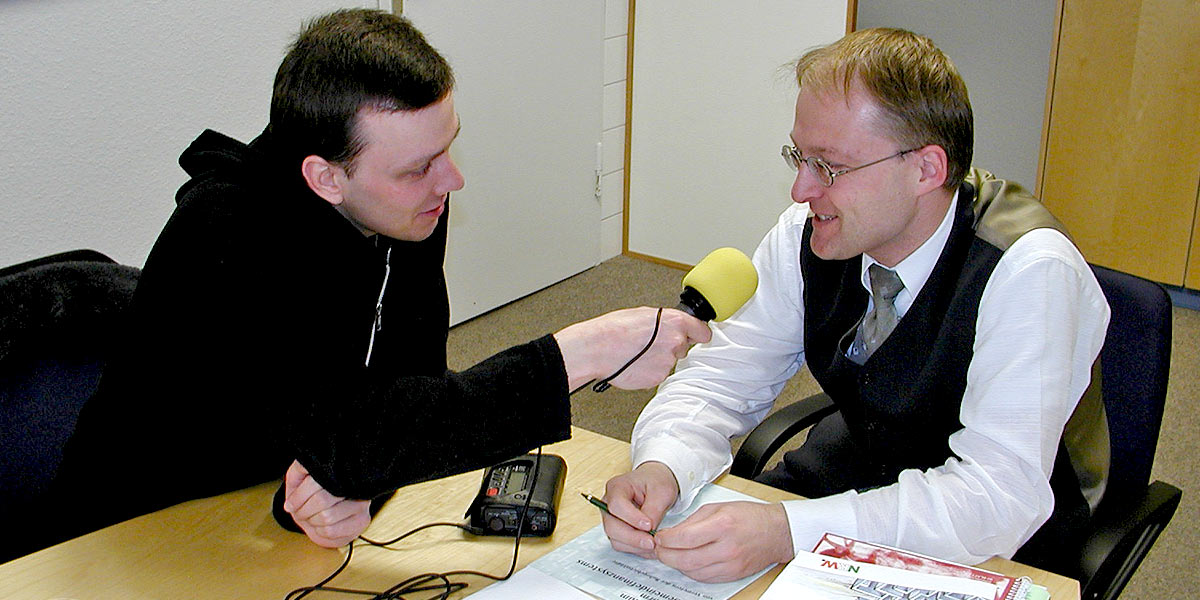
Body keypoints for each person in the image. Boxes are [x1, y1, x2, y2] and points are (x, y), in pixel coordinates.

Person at [10, 9, 709, 562]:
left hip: (256, 510)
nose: (451, 181)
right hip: (125, 534)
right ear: (324, 176)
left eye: (448, 147)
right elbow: (349, 432)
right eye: (418, 167)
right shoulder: (225, 236)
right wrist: (576, 355)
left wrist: (350, 492)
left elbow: (408, 399)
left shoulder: (401, 210)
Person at [600, 27, 1110, 583]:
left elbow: (994, 497)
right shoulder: (809, 233)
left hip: (1001, 534)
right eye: (799, 155)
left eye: (830, 166)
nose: (800, 189)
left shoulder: (1028, 270)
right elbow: (722, 377)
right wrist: (664, 463)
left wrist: (786, 532)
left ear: (926, 169)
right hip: (862, 468)